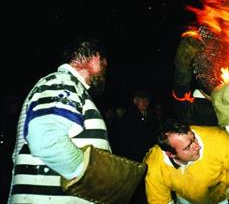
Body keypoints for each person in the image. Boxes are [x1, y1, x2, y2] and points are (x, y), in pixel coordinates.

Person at [7, 37, 146, 204]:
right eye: (104, 63)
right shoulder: (62, 82)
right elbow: (46, 139)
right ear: (94, 58)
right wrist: (100, 181)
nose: (105, 70)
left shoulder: (66, 86)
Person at [144, 119, 229, 204]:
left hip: (222, 197)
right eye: (188, 147)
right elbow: (159, 200)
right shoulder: (154, 165)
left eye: (193, 138)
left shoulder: (219, 138)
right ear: (170, 154)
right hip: (187, 200)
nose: (197, 146)